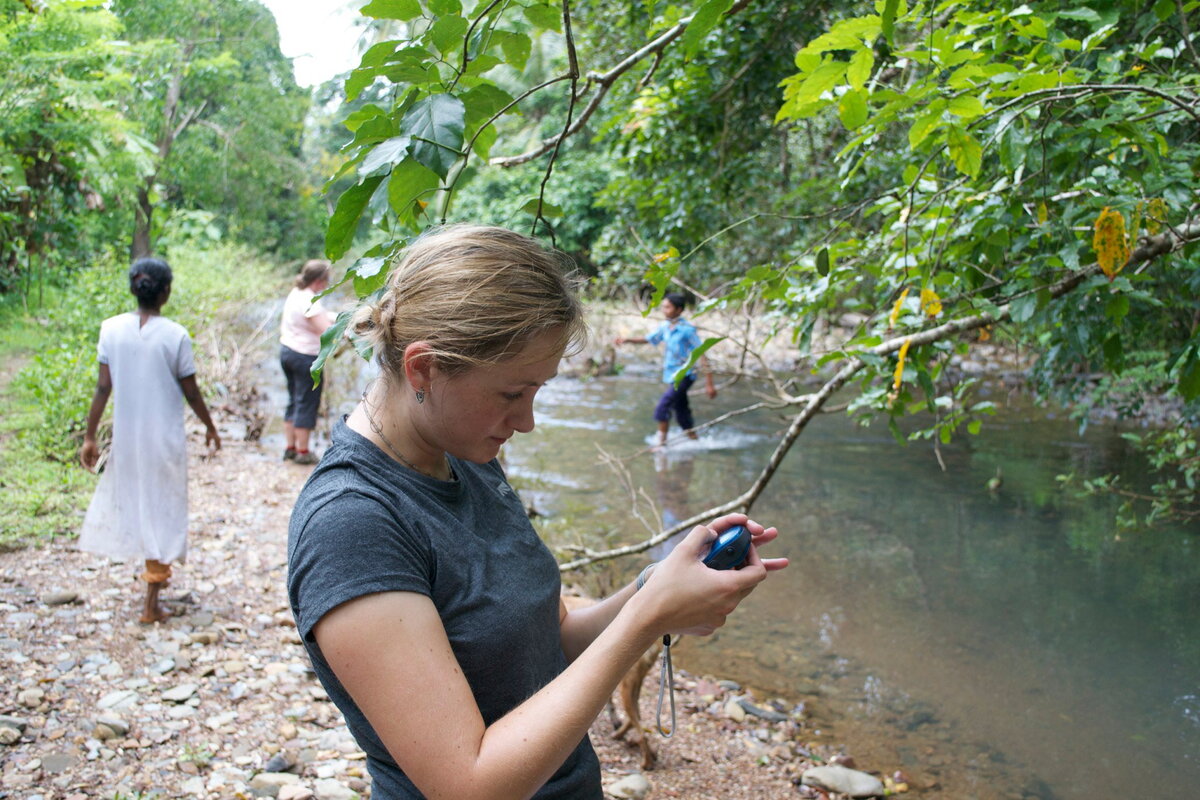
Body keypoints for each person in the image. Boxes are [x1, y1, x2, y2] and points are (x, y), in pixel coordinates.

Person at [287, 224, 787, 800]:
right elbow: (468, 785)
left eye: (538, 392)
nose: (527, 421)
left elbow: (554, 640)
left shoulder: (466, 452)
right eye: (512, 394)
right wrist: (645, 620)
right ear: (423, 369)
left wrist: (657, 589)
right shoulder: (352, 524)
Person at [79, 257, 221, 624]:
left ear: (134, 288)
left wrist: (90, 436)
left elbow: (102, 387)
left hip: (127, 440)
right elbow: (191, 392)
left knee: (141, 504)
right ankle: (151, 603)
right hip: (164, 442)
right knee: (163, 509)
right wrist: (210, 426)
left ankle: (151, 590)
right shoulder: (175, 335)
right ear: (167, 292)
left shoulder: (111, 329)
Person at [615, 292, 717, 446]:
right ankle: (696, 441)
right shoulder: (665, 326)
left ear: (679, 310)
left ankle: (661, 445)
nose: (664, 310)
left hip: (684, 376)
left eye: (668, 307)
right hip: (671, 375)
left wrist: (709, 383)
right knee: (681, 412)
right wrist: (627, 340)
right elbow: (649, 339)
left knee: (662, 408)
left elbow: (702, 353)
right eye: (663, 307)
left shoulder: (687, 330)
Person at [280, 259, 335, 464]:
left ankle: (290, 447)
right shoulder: (310, 300)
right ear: (320, 280)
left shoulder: (296, 293)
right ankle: (303, 452)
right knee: (307, 402)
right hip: (305, 357)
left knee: (294, 400)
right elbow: (326, 331)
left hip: (287, 352)